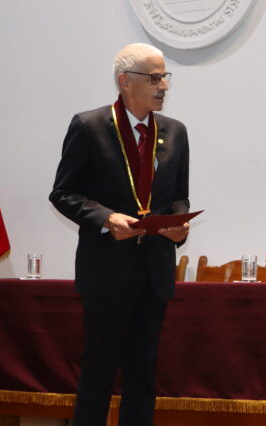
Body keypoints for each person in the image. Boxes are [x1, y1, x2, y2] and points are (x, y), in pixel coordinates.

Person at [49, 43, 189, 426]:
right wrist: (106, 217)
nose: (164, 86)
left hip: (154, 270)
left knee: (143, 373)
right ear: (125, 82)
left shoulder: (175, 132)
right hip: (106, 271)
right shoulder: (89, 126)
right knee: (99, 371)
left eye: (165, 77)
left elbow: (178, 196)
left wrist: (179, 225)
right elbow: (62, 193)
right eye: (154, 78)